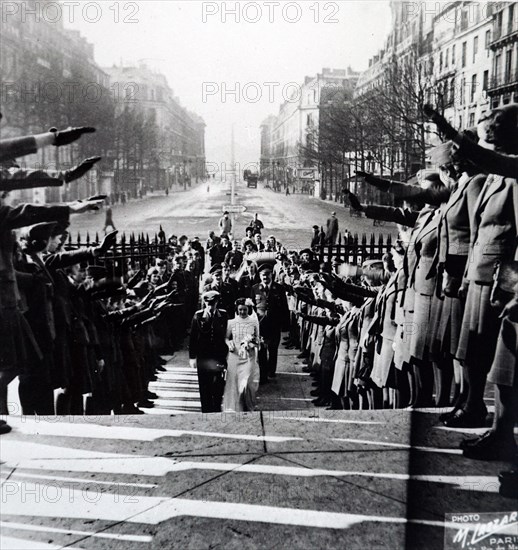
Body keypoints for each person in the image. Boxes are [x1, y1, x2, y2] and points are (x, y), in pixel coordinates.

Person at [189, 290, 229, 413]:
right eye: (208, 303)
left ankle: (216, 408)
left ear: (217, 302)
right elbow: (193, 338)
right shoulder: (199, 316)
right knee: (204, 384)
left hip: (219, 356)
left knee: (218, 384)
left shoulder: (223, 315)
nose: (210, 306)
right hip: (203, 357)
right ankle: (206, 410)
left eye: (213, 303)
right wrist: (192, 357)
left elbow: (227, 335)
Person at [253, 263, 290, 383]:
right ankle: (263, 374)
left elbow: (284, 306)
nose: (265, 277)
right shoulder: (255, 288)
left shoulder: (279, 288)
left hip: (275, 324)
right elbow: (252, 308)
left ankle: (271, 371)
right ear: (259, 275)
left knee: (273, 349)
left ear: (272, 275)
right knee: (261, 350)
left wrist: (285, 324)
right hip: (261, 325)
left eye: (268, 274)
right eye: (263, 275)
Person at [222, 298, 260, 412]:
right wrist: (229, 343)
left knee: (247, 382)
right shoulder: (231, 322)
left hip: (249, 356)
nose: (242, 312)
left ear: (249, 309)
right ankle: (235, 406)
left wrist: (252, 344)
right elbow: (226, 337)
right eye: (240, 310)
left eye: (245, 310)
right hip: (235, 355)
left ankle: (248, 405)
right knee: (233, 381)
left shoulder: (254, 322)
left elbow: (258, 338)